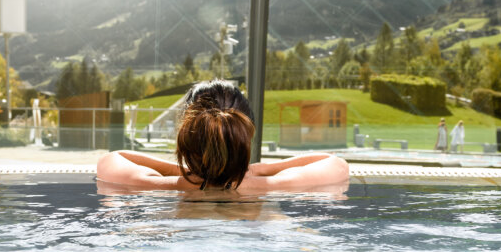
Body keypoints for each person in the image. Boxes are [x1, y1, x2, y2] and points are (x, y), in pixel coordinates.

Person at [96, 79, 348, 191]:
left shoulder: (156, 185)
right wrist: (255, 171)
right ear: (245, 134)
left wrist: (182, 172)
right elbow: (336, 164)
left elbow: (112, 158)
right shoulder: (274, 185)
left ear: (186, 133)